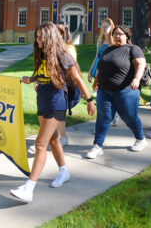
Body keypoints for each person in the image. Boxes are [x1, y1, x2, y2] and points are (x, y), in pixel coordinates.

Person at [11, 22, 95, 203]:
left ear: (50, 37)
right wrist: (31, 79)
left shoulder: (63, 55)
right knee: (54, 139)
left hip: (56, 102)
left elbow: (77, 78)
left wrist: (89, 101)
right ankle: (64, 171)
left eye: (41, 36)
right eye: (37, 36)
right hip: (42, 99)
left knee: (41, 145)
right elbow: (45, 75)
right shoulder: (42, 53)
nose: (38, 39)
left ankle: (29, 188)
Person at [87, 25, 147, 158]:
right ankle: (97, 146)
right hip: (104, 91)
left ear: (127, 36)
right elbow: (102, 67)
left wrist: (137, 78)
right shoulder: (108, 50)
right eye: (115, 34)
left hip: (125, 91)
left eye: (120, 34)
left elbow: (141, 64)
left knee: (129, 117)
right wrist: (97, 81)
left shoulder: (133, 49)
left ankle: (140, 139)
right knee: (103, 118)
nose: (117, 36)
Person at [88, 18, 119, 126]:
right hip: (99, 70)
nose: (104, 28)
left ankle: (113, 115)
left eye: (107, 26)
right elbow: (97, 55)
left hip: (110, 71)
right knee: (101, 97)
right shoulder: (99, 40)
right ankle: (103, 121)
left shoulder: (114, 41)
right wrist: (90, 70)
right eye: (103, 26)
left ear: (111, 28)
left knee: (111, 95)